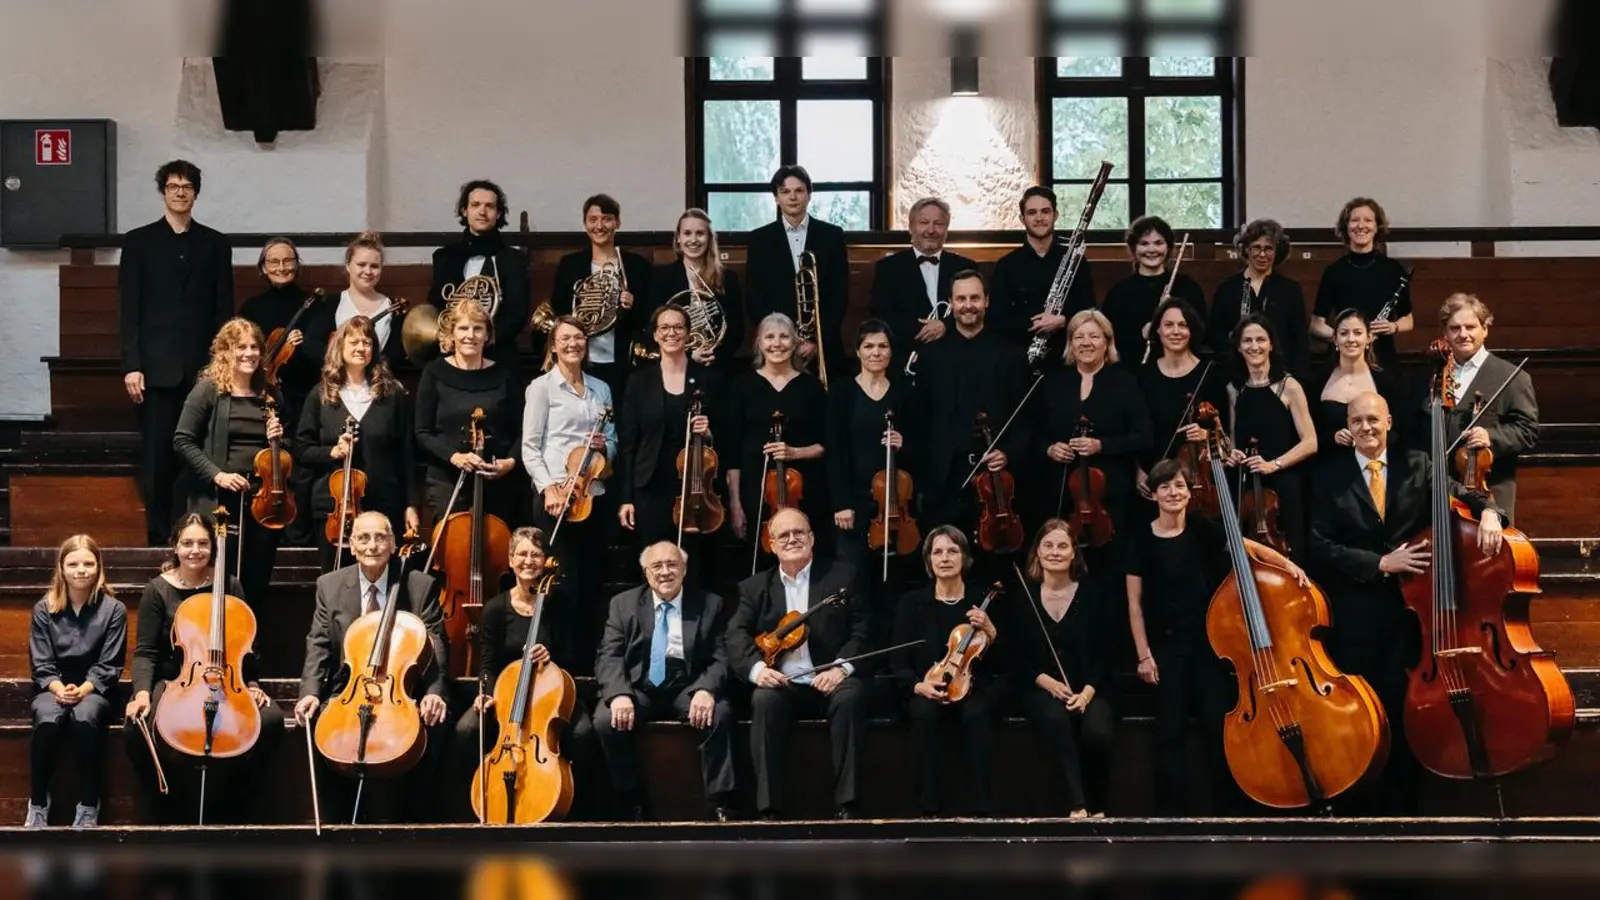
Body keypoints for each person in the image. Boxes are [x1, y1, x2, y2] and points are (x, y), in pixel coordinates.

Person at [1308, 391, 1505, 815]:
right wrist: (1380, 562)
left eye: (1373, 420)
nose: (1367, 428)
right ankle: (1360, 803)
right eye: (1358, 421)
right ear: (1348, 426)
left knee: (1405, 707)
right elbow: (1319, 545)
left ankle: (1405, 806)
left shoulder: (1418, 463)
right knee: (1364, 708)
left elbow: (1462, 493)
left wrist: (1489, 511)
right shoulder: (1328, 476)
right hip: (1357, 613)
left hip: (1411, 612)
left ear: (1390, 421)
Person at [1126, 459, 1305, 815]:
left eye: (1179, 486)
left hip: (1209, 645)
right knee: (1169, 733)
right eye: (1165, 487)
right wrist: (1144, 655)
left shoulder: (1202, 528)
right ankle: (1169, 816)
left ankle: (1229, 810)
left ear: (1190, 492)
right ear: (1154, 494)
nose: (1173, 493)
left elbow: (1246, 547)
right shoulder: (1140, 539)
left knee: (1219, 728)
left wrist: (1288, 565)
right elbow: (1134, 604)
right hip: (1165, 647)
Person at [124, 513, 285, 824]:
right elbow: (145, 652)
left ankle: (235, 806)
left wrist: (250, 682)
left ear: (213, 547)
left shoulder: (229, 584)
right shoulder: (158, 590)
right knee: (137, 727)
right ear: (175, 547)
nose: (195, 550)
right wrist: (142, 692)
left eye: (202, 543)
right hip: (176, 679)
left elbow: (246, 643)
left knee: (271, 721)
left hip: (229, 678)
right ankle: (165, 806)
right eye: (187, 543)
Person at [294, 511, 452, 823]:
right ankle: (334, 823)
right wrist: (309, 692)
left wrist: (436, 693)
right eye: (363, 538)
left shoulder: (419, 585)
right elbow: (319, 643)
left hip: (405, 689)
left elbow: (437, 646)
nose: (372, 545)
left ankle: (417, 823)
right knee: (315, 722)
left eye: (380, 537)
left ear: (393, 544)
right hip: (350, 689)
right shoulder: (330, 584)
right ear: (351, 545)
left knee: (436, 723)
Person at [726, 508, 869, 820]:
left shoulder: (843, 577)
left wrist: (840, 668)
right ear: (771, 544)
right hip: (784, 684)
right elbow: (735, 635)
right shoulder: (754, 588)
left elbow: (863, 630)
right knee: (763, 700)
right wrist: (758, 670)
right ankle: (770, 810)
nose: (792, 539)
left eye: (799, 533)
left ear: (812, 538)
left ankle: (849, 807)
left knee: (850, 697)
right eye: (783, 535)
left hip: (831, 679)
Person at [120, 159, 234, 544]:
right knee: (157, 460)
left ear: (196, 193)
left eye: (187, 186)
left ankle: (197, 538)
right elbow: (129, 310)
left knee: (201, 456)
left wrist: (221, 367)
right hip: (155, 370)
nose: (180, 192)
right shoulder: (138, 242)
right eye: (173, 186)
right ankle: (158, 540)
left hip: (203, 372)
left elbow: (223, 310)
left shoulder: (216, 244)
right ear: (164, 192)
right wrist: (132, 366)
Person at [456, 528, 596, 821]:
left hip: (553, 696)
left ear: (545, 561)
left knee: (583, 732)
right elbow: (488, 662)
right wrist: (486, 693)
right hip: (507, 698)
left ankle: (570, 804)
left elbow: (577, 658)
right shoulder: (496, 608)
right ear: (510, 560)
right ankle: (481, 802)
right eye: (522, 553)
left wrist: (551, 657)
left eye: (536, 554)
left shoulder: (561, 606)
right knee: (467, 729)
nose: (528, 561)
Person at [594, 541, 736, 821]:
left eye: (672, 564)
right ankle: (630, 799)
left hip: (687, 685)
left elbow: (722, 657)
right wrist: (619, 694)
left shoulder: (710, 604)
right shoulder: (623, 604)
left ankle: (720, 803)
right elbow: (608, 655)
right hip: (640, 687)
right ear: (646, 573)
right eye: (656, 566)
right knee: (604, 720)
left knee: (720, 713)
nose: (665, 572)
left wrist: (706, 689)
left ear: (684, 569)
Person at [523, 316, 618, 668]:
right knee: (561, 582)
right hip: (556, 498)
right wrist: (548, 488)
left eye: (579, 338)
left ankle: (587, 664)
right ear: (553, 345)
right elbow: (530, 447)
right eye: (565, 338)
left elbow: (614, 443)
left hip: (593, 494)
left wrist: (604, 446)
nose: (572, 344)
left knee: (591, 584)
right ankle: (558, 662)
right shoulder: (541, 388)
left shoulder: (601, 389)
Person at [171, 318, 285, 612]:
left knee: (255, 582)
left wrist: (279, 440)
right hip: (219, 499)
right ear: (225, 352)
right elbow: (183, 440)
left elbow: (287, 453)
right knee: (215, 579)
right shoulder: (208, 391)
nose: (249, 353)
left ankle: (248, 649)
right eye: (240, 347)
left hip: (261, 502)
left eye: (254, 347)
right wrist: (218, 475)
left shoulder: (270, 394)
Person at [890, 526, 1002, 818]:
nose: (945, 558)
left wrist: (992, 632)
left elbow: (1008, 662)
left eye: (953, 551)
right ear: (928, 561)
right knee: (924, 714)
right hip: (927, 688)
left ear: (964, 557)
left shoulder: (982, 601)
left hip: (974, 687)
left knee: (977, 713)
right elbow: (897, 662)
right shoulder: (911, 603)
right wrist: (917, 686)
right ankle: (929, 809)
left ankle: (982, 809)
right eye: (937, 552)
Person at [910, 270, 1030, 536]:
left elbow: (1026, 418)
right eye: (961, 298)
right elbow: (920, 422)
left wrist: (1008, 452)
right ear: (951, 303)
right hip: (943, 481)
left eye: (975, 298)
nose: (968, 305)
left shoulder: (1012, 355)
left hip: (996, 479)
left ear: (986, 301)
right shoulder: (931, 357)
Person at [296, 316, 419, 571]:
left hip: (385, 502)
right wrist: (333, 451)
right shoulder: (320, 395)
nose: (361, 348)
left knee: (384, 578)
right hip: (334, 509)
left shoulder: (392, 395)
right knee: (336, 581)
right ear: (339, 347)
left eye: (367, 342)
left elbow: (406, 454)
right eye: (353, 342)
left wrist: (411, 505)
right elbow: (302, 449)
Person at [1011, 520, 1114, 818]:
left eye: (1062, 546)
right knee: (1057, 720)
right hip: (1040, 689)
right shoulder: (1024, 598)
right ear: (1038, 553)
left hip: (1091, 686)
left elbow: (1105, 654)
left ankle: (1100, 806)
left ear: (1073, 554)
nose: (1055, 552)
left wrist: (1086, 694)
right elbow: (1017, 657)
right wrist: (1047, 682)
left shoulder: (1093, 595)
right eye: (1048, 545)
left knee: (1097, 731)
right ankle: (1077, 805)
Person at [828, 319, 920, 641]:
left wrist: (903, 444)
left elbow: (922, 447)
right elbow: (835, 451)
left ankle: (890, 655)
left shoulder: (903, 394)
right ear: (857, 351)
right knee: (855, 583)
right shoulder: (841, 392)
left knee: (890, 586)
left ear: (892, 352)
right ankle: (858, 654)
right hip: (853, 504)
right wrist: (841, 503)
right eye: (869, 346)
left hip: (892, 506)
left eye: (882, 346)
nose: (875, 352)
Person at [27, 535, 127, 829]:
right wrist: (60, 689)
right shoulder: (44, 609)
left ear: (98, 567)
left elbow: (109, 665)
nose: (81, 570)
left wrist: (82, 690)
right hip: (52, 688)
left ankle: (87, 803)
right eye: (73, 564)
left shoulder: (114, 610)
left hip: (96, 690)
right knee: (47, 720)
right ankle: (38, 804)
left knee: (84, 718)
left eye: (88, 563)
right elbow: (42, 665)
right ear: (61, 568)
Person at [616, 304, 722, 573]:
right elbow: (628, 443)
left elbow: (726, 433)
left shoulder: (707, 378)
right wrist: (627, 497)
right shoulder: (639, 381)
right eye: (664, 327)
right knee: (654, 561)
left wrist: (708, 432)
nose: (671, 333)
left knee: (692, 560)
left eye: (678, 327)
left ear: (688, 334)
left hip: (694, 484)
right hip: (650, 485)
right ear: (655, 335)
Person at [1033, 309, 1151, 550]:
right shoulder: (1054, 382)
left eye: (1094, 337)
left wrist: (1102, 445)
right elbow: (1034, 432)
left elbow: (1143, 436)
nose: (1086, 343)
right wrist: (1049, 449)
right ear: (1070, 343)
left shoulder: (1124, 383)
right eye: (1079, 336)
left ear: (1107, 342)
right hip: (1061, 495)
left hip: (1111, 496)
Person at [240, 236, 330, 547]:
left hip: (302, 395)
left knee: (299, 466)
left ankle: (297, 532)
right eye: (274, 262)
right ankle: (264, 526)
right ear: (263, 268)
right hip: (263, 395)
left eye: (288, 260)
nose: (281, 267)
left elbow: (322, 357)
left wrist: (301, 348)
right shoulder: (251, 308)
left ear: (297, 264)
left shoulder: (315, 305)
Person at [725, 313, 831, 564]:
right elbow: (733, 452)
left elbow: (827, 444)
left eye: (784, 336)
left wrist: (795, 452)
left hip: (805, 492)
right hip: (755, 493)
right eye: (769, 337)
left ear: (795, 343)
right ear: (759, 343)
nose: (777, 343)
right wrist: (736, 504)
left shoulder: (811, 387)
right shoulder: (742, 387)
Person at [414, 300, 524, 527]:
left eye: (477, 328)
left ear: (487, 335)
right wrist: (454, 456)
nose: (470, 335)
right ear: (452, 333)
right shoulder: (434, 372)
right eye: (463, 328)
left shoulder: (505, 374)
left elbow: (523, 430)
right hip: (447, 481)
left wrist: (510, 462)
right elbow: (422, 432)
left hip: (497, 482)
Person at [1439, 293, 1539, 519]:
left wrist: (1491, 437)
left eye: (1471, 327)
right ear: (1445, 333)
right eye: (1455, 328)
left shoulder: (1513, 377)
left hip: (1490, 492)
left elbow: (1528, 431)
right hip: (1439, 495)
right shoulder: (1432, 375)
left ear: (1485, 329)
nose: (1463, 334)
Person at [1227, 316, 1319, 560]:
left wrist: (1273, 464)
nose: (1254, 346)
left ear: (1271, 345)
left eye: (1260, 339)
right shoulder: (1235, 388)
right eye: (1247, 340)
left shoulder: (1288, 386)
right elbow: (1235, 438)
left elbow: (1310, 442)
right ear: (1239, 347)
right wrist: (1233, 454)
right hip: (1247, 484)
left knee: (1291, 550)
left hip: (1285, 482)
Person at [744, 165, 849, 378]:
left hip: (823, 347)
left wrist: (816, 341)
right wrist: (782, 341)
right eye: (785, 192)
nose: (792, 197)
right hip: (777, 347)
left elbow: (839, 294)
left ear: (809, 195)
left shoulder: (832, 236)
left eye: (799, 191)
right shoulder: (759, 240)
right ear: (776, 198)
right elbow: (755, 297)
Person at [549, 194, 653, 396]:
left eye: (607, 219)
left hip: (624, 360)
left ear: (617, 223)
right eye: (593, 219)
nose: (600, 226)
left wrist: (632, 305)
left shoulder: (637, 266)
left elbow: (649, 316)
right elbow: (559, 311)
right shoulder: (570, 265)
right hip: (581, 357)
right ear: (585, 224)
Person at [428, 179, 532, 367]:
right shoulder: (446, 257)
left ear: (498, 213)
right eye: (475, 205)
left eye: (489, 206)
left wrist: (484, 338)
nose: (482, 212)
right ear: (464, 211)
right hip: (454, 351)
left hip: (498, 352)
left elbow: (517, 314)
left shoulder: (513, 260)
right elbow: (437, 305)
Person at [868, 197, 977, 370]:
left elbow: (977, 311)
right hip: (908, 359)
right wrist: (922, 331)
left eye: (939, 224)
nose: (931, 230)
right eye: (924, 222)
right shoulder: (888, 268)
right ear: (911, 228)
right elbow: (881, 316)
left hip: (958, 358)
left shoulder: (965, 267)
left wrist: (945, 326)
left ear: (946, 230)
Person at [991, 186, 1097, 363]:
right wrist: (1035, 325)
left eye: (1045, 211)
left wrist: (1062, 321)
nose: (1039, 218)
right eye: (1032, 213)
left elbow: (1089, 309)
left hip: (1069, 355)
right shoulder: (1006, 265)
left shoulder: (1075, 259)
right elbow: (996, 321)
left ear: (1055, 215)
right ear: (1022, 219)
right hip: (1020, 357)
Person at [1136, 298, 1228, 500]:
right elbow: (1136, 428)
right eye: (1168, 325)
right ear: (1157, 330)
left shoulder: (1211, 374)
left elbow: (1224, 429)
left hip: (1199, 479)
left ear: (1192, 330)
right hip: (1154, 477)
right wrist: (1139, 469)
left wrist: (1206, 434)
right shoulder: (1143, 376)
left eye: (1183, 325)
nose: (1175, 331)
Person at [1311, 198, 1413, 370]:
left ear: (1377, 227)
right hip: (1344, 358)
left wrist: (1393, 326)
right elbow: (1316, 325)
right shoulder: (1334, 271)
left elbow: (1408, 320)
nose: (1361, 225)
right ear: (1346, 227)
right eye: (1355, 220)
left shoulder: (1393, 269)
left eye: (1368, 220)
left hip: (1382, 358)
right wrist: (1344, 336)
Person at [644, 208, 745, 370]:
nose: (693, 240)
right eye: (687, 233)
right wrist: (686, 354)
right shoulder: (661, 277)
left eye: (700, 233)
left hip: (717, 365)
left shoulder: (728, 278)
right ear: (678, 238)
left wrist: (713, 354)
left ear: (709, 238)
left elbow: (736, 329)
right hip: (674, 364)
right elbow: (653, 325)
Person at [1208, 219, 1309, 381]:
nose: (1262, 254)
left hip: (1280, 375)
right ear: (1246, 249)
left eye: (1268, 249)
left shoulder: (1290, 289)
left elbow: (1299, 338)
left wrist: (1296, 378)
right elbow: (1215, 334)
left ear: (1277, 252)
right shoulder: (1227, 289)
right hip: (1237, 374)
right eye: (1256, 247)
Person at [1101, 215, 1208, 368]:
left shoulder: (1187, 287)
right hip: (1133, 369)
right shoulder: (1119, 292)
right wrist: (1142, 334)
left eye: (1158, 243)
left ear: (1168, 247)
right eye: (1144, 243)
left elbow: (1201, 331)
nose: (1151, 249)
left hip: (1179, 368)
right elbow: (1108, 338)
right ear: (1134, 248)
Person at [1314, 308, 1412, 460]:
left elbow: (1397, 431)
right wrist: (1333, 437)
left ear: (1369, 338)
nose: (1351, 339)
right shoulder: (1317, 380)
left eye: (1358, 333)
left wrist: (1369, 439)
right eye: (1344, 333)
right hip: (1327, 464)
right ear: (1335, 340)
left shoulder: (1386, 381)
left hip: (1374, 464)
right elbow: (1309, 434)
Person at [334, 231, 403, 368]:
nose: (368, 271)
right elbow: (313, 346)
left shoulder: (395, 308)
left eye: (374, 266)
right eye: (361, 264)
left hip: (378, 381)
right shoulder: (332, 304)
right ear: (348, 266)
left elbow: (396, 354)